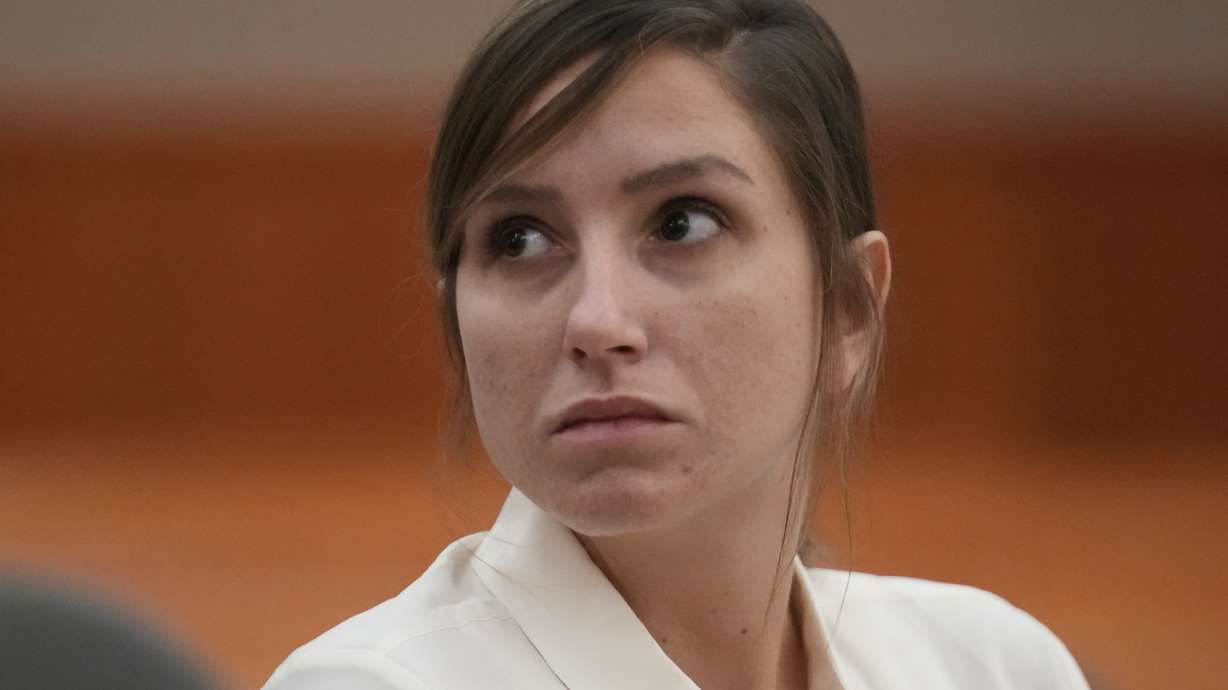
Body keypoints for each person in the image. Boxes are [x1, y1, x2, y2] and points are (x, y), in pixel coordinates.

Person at [263, 1, 1091, 688]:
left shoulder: (993, 666)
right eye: (518, 240)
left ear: (847, 310)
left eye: (682, 222)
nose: (596, 322)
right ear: (457, 324)